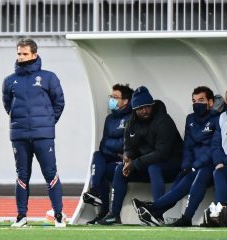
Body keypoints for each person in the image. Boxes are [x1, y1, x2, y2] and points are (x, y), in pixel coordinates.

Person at [132, 86, 219, 227]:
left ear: (210, 102)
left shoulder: (217, 118)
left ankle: (155, 208)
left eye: (201, 100)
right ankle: (157, 213)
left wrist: (195, 166)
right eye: (194, 100)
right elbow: (188, 146)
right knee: (179, 183)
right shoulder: (190, 119)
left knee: (197, 175)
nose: (197, 104)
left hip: (209, 165)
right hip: (192, 165)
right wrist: (186, 165)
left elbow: (213, 147)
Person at [2, 39, 66, 228]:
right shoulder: (9, 80)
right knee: (22, 175)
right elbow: (8, 105)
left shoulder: (48, 77)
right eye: (18, 53)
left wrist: (46, 122)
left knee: (50, 174)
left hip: (43, 135)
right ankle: (21, 216)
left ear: (34, 55)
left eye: (24, 54)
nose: (20, 57)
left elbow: (59, 103)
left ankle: (59, 216)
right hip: (19, 135)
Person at [97, 86, 182, 225]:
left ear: (152, 105)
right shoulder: (132, 123)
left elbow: (162, 153)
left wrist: (135, 163)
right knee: (120, 169)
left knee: (154, 167)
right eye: (140, 108)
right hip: (146, 164)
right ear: (134, 109)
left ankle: (157, 214)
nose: (145, 111)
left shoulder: (164, 121)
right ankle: (114, 215)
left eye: (147, 106)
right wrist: (127, 157)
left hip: (171, 165)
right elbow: (129, 147)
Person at [82, 84, 134, 225]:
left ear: (125, 101)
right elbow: (103, 145)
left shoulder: (132, 117)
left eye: (115, 97)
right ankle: (96, 196)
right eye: (111, 97)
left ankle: (108, 212)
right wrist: (114, 150)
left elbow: (127, 144)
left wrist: (117, 151)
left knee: (103, 169)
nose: (111, 100)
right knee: (98, 155)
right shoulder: (109, 119)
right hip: (111, 157)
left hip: (124, 161)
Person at [212, 90, 227, 207]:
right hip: (225, 161)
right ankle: (221, 210)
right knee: (218, 173)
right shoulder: (222, 117)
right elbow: (216, 143)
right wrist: (218, 161)